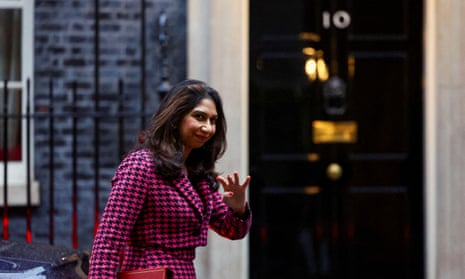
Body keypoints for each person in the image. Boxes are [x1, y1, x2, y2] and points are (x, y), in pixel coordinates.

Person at [87, 79, 252, 279]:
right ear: (176, 117)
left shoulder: (197, 175)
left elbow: (232, 231)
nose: (207, 128)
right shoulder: (142, 165)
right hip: (147, 272)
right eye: (199, 117)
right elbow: (107, 243)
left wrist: (238, 208)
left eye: (213, 120)